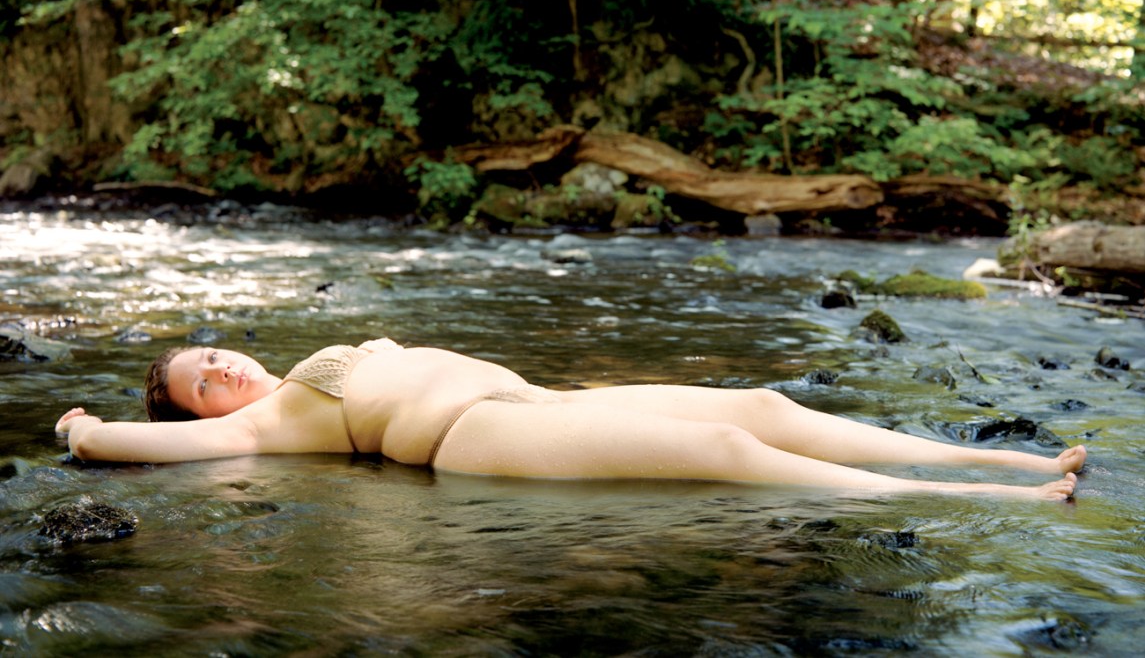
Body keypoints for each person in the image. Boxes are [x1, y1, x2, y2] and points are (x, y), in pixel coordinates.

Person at [55, 337, 1085, 500]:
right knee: (722, 451)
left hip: (537, 404)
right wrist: (82, 430)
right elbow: (126, 441)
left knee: (761, 404)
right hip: (472, 440)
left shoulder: (289, 372)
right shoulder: (261, 427)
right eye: (200, 382)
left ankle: (998, 462)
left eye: (211, 353)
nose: (219, 371)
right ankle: (988, 506)